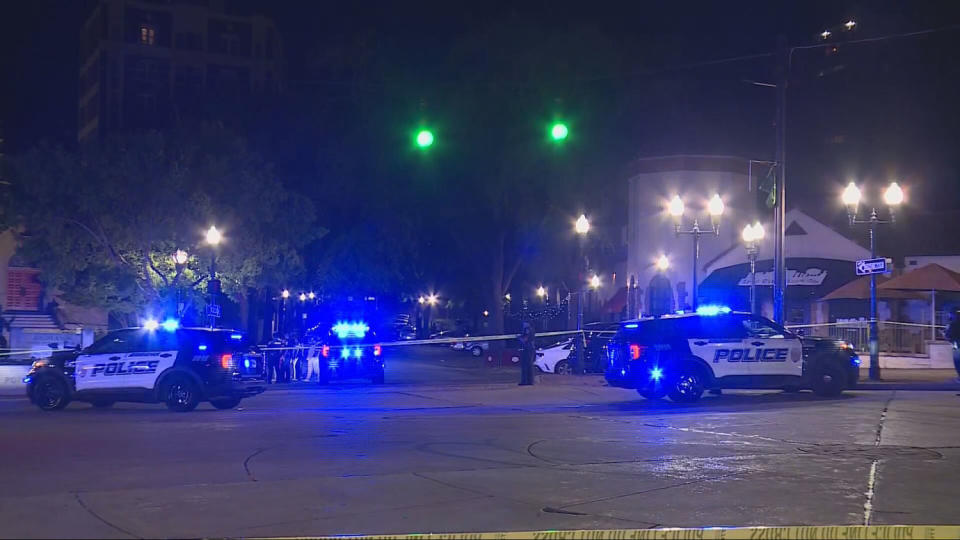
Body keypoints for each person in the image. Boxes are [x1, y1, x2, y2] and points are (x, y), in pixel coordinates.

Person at [518, 321, 535, 386]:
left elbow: (525, 340)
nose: (523, 325)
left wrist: (519, 338)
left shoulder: (527, 329)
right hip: (530, 349)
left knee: (525, 365)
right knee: (529, 365)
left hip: (527, 349)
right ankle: (530, 381)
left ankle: (524, 381)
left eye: (524, 323)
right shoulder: (531, 329)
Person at [946, 309, 960, 381]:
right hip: (957, 343)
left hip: (957, 344)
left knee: (957, 361)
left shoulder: (953, 323)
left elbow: (948, 335)